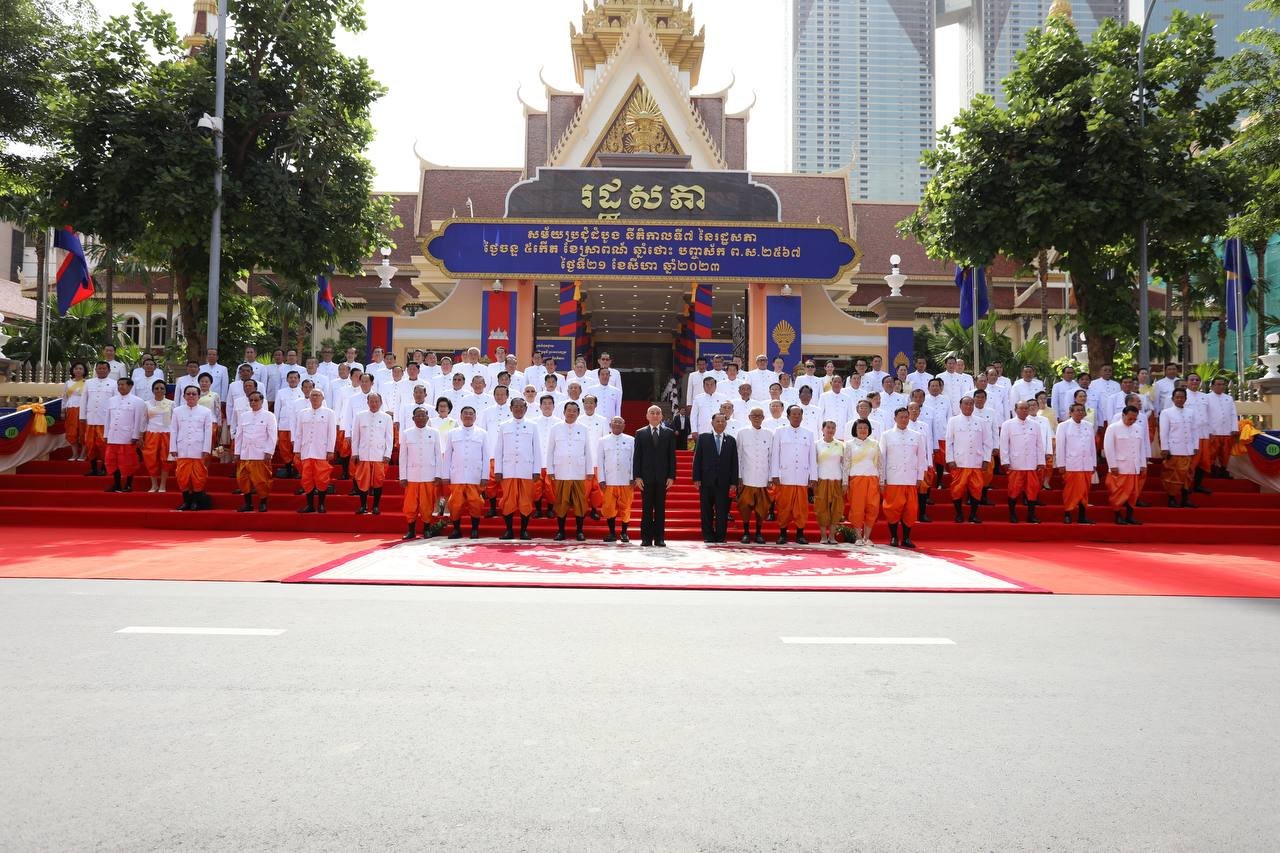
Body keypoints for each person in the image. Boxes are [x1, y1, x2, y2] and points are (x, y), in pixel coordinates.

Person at [492, 397, 541, 540]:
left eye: (521, 406)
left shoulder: (533, 426)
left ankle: (524, 530)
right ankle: (509, 530)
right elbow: (498, 449)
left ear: (526, 409)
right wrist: (498, 470)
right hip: (508, 469)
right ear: (511, 408)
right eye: (516, 406)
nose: (518, 409)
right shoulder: (504, 426)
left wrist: (536, 470)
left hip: (526, 469)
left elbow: (536, 449)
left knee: (526, 501)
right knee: (508, 501)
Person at [880, 407, 929, 548]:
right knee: (892, 509)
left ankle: (906, 538)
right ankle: (894, 537)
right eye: (901, 417)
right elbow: (882, 458)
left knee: (911, 509)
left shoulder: (917, 435)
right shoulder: (886, 435)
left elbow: (921, 458)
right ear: (894, 418)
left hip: (910, 478)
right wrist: (882, 478)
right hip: (893, 478)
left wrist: (920, 477)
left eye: (906, 417)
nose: (904, 420)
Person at [545, 401, 594, 541]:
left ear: (578, 413)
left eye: (574, 411)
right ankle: (561, 531)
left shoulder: (583, 428)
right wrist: (550, 469)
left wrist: (589, 470)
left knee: (580, 502)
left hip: (578, 472)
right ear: (564, 412)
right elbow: (550, 451)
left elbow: (588, 451)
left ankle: (580, 531)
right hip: (561, 471)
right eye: (569, 410)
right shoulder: (556, 428)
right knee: (561, 502)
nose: (571, 413)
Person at [770, 405, 817, 545]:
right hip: (785, 476)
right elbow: (775, 455)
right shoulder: (780, 432)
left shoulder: (808, 433)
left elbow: (812, 456)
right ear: (788, 416)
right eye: (794, 414)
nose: (796, 417)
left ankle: (800, 534)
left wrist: (813, 476)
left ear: (802, 416)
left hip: (802, 476)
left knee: (801, 508)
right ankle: (783, 534)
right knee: (784, 507)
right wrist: (774, 474)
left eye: (799, 414)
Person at [632, 405, 677, 547]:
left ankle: (659, 538)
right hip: (645, 478)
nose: (655, 415)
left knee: (660, 509)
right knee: (646, 509)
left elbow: (672, 457)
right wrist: (637, 476)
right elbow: (637, 456)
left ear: (661, 416)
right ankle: (646, 538)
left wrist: (671, 476)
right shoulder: (640, 433)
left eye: (658, 413)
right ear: (647, 416)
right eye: (652, 413)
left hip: (663, 478)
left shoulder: (669, 433)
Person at [442, 406, 488, 539]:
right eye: (465, 414)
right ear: (461, 416)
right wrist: (446, 475)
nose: (468, 416)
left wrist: (485, 475)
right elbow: (448, 455)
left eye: (471, 414)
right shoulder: (453, 433)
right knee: (455, 504)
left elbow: (486, 456)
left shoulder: (482, 433)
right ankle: (456, 529)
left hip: (475, 475)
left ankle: (475, 529)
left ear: (475, 417)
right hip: (457, 475)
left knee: (476, 504)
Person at [398, 406, 443, 540]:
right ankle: (411, 530)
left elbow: (438, 455)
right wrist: (403, 476)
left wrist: (438, 474)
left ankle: (427, 530)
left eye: (423, 416)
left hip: (429, 475)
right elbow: (403, 456)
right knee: (410, 505)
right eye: (418, 416)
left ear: (428, 418)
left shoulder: (434, 432)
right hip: (412, 475)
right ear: (413, 418)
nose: (421, 418)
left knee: (427, 504)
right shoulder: (406, 433)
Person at [946, 396, 992, 525]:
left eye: (971, 404)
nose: (969, 406)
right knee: (957, 489)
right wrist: (950, 459)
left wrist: (986, 459)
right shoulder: (953, 421)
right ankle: (959, 513)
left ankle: (973, 514)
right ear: (960, 406)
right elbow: (949, 442)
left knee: (976, 489)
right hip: (959, 461)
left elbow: (987, 442)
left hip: (976, 461)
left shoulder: (981, 421)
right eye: (966, 404)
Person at [1001, 401, 1049, 524]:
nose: (1024, 410)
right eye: (1021, 408)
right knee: (1013, 490)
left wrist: (1041, 461)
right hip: (1015, 464)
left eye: (1026, 408)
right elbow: (1004, 444)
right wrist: (1005, 460)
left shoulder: (1035, 425)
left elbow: (1039, 444)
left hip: (1031, 464)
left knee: (1032, 490)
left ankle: (1031, 515)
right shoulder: (1008, 424)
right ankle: (1012, 514)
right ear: (1015, 409)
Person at [692, 413, 737, 543]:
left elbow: (734, 462)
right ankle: (708, 536)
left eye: (723, 421)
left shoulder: (731, 440)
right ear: (712, 423)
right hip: (706, 481)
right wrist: (696, 478)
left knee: (722, 510)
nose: (720, 424)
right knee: (706, 509)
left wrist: (733, 482)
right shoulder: (703, 438)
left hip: (723, 482)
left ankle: (721, 536)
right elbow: (697, 459)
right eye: (718, 421)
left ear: (726, 424)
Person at [169, 385, 214, 511]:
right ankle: (186, 501)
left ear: (199, 396)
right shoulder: (177, 411)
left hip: (198, 449)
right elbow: (173, 429)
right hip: (182, 448)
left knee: (198, 477)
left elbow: (208, 431)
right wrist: (173, 447)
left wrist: (206, 449)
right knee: (182, 477)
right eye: (188, 394)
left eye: (194, 394)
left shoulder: (206, 412)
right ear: (184, 396)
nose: (191, 396)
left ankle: (196, 501)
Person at [293, 388, 337, 515]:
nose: (315, 398)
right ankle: (310, 505)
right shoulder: (303, 413)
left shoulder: (329, 413)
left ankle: (321, 504)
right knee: (307, 479)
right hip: (306, 451)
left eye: (317, 395)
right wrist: (297, 449)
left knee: (322, 479)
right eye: (312, 395)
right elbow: (299, 432)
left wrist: (330, 450)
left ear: (323, 398)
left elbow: (331, 433)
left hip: (321, 451)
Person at [232, 391, 276, 512]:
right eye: (251, 400)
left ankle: (263, 502)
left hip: (260, 454)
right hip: (245, 453)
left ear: (262, 401)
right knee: (243, 479)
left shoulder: (269, 416)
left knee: (261, 480)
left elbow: (272, 435)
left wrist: (269, 451)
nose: (253, 402)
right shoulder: (244, 416)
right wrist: (237, 452)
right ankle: (248, 503)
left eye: (256, 400)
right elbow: (239, 435)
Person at [351, 392, 394, 516]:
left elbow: (389, 437)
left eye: (376, 401)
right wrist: (355, 452)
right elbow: (355, 436)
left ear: (380, 403)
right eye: (372, 401)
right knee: (362, 481)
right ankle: (363, 506)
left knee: (378, 481)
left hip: (379, 455)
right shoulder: (360, 416)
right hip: (363, 454)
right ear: (367, 402)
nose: (374, 404)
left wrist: (388, 454)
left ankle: (375, 506)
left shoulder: (386, 417)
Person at [735, 406, 773, 544]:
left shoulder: (769, 434)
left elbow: (771, 457)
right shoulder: (742, 433)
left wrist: (770, 477)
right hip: (747, 477)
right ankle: (746, 532)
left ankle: (758, 533)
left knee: (762, 508)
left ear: (763, 418)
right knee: (744, 506)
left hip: (763, 478)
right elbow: (738, 456)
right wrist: (738, 475)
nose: (757, 418)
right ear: (749, 417)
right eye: (754, 416)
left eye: (760, 416)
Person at [1054, 402, 1097, 525]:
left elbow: (1092, 446)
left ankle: (1082, 516)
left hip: (1086, 465)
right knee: (1071, 492)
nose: (1079, 412)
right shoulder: (1063, 426)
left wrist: (1093, 462)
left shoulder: (1088, 426)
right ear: (1070, 412)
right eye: (1077, 410)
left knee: (1084, 492)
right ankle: (1068, 513)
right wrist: (1061, 464)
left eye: (1081, 410)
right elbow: (1060, 446)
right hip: (1071, 464)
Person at [1104, 405, 1148, 525]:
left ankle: (1129, 516)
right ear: (1123, 415)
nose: (1132, 421)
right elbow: (1109, 448)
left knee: (1133, 493)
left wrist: (1143, 464)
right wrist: (1112, 465)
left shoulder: (1138, 428)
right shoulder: (1113, 428)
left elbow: (1141, 448)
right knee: (1119, 493)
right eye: (1130, 418)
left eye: (1134, 419)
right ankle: (1118, 515)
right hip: (1120, 467)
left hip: (1134, 467)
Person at [103, 377, 147, 493]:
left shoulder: (138, 401)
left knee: (129, 462)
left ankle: (128, 484)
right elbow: (107, 419)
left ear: (130, 386)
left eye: (123, 384)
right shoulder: (111, 400)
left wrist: (135, 436)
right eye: (118, 384)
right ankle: (117, 484)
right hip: (113, 436)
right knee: (113, 461)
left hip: (127, 436)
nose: (120, 387)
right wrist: (106, 434)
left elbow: (139, 420)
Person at [843, 418, 882, 545]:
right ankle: (858, 537)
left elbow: (880, 464)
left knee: (873, 508)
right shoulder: (849, 444)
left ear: (869, 429)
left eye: (865, 428)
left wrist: (881, 482)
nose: (863, 430)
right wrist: (845, 482)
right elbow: (846, 464)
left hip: (872, 478)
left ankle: (867, 537)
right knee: (857, 508)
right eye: (860, 428)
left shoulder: (875, 444)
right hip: (856, 479)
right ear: (855, 430)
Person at [1159, 387, 1199, 508]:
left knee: (1188, 475)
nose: (1180, 399)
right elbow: (1163, 432)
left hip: (1188, 449)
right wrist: (1165, 448)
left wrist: (1195, 446)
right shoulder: (1166, 413)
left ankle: (1185, 498)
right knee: (1173, 475)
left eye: (1182, 397)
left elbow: (1195, 430)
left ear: (1186, 399)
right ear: (1172, 399)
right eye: (1177, 397)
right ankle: (1171, 498)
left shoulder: (1191, 412)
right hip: (1174, 449)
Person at [813, 420, 846, 545]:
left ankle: (832, 536)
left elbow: (845, 464)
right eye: (828, 427)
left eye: (833, 428)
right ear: (822, 429)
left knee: (836, 509)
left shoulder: (841, 445)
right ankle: (823, 536)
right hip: (821, 480)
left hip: (837, 480)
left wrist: (844, 482)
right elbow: (813, 464)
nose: (830, 430)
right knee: (821, 508)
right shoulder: (816, 444)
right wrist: (813, 480)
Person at [82, 362, 116, 476]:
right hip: (91, 418)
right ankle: (93, 468)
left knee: (103, 444)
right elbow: (84, 400)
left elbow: (115, 403)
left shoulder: (114, 384)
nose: (101, 370)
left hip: (105, 420)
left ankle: (105, 467)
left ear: (108, 370)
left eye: (104, 368)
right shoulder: (88, 383)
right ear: (95, 370)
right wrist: (82, 416)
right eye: (99, 368)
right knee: (90, 444)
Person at [142, 379, 174, 493]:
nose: (159, 390)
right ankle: (154, 484)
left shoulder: (171, 403)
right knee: (151, 459)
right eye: (156, 388)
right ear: (152, 390)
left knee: (165, 459)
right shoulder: (146, 404)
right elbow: (143, 421)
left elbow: (174, 421)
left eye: (162, 388)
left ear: (165, 390)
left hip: (167, 433)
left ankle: (163, 485)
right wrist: (141, 436)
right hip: (151, 433)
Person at [1204, 377, 1238, 477]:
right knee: (1211, 453)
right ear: (1212, 386)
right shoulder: (1206, 397)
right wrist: (1208, 430)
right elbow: (1204, 415)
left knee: (1226, 453)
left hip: (1227, 431)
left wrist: (1234, 428)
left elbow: (1233, 414)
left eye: (1223, 384)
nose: (1221, 386)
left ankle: (1224, 471)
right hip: (1213, 431)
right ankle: (1210, 471)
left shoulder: (1229, 398)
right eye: (1218, 384)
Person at [273, 370, 305, 479]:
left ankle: (297, 469)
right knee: (284, 448)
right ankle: (288, 468)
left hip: (297, 426)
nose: (293, 379)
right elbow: (277, 410)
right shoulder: (281, 392)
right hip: (284, 424)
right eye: (290, 377)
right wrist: (275, 425)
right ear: (287, 380)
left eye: (295, 377)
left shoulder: (303, 392)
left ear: (299, 380)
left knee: (296, 447)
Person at [62, 361, 88, 461]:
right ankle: (75, 454)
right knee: (71, 432)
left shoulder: (87, 383)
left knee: (83, 432)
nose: (78, 370)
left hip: (83, 410)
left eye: (80, 368)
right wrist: (63, 410)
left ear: (84, 371)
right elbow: (64, 398)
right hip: (71, 409)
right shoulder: (68, 383)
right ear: (73, 370)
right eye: (76, 368)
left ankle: (83, 454)